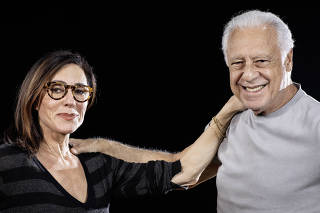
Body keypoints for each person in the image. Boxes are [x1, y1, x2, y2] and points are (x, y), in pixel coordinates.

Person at [71, 10, 320, 212]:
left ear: (288, 59)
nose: (249, 74)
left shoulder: (316, 123)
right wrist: (102, 146)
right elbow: (178, 170)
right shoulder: (233, 122)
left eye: (261, 61)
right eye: (237, 63)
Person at [0, 50, 244, 212]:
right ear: (34, 98)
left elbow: (183, 172)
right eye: (57, 89)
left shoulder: (98, 166)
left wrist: (232, 109)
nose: (70, 100)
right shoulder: (7, 161)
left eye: (80, 91)